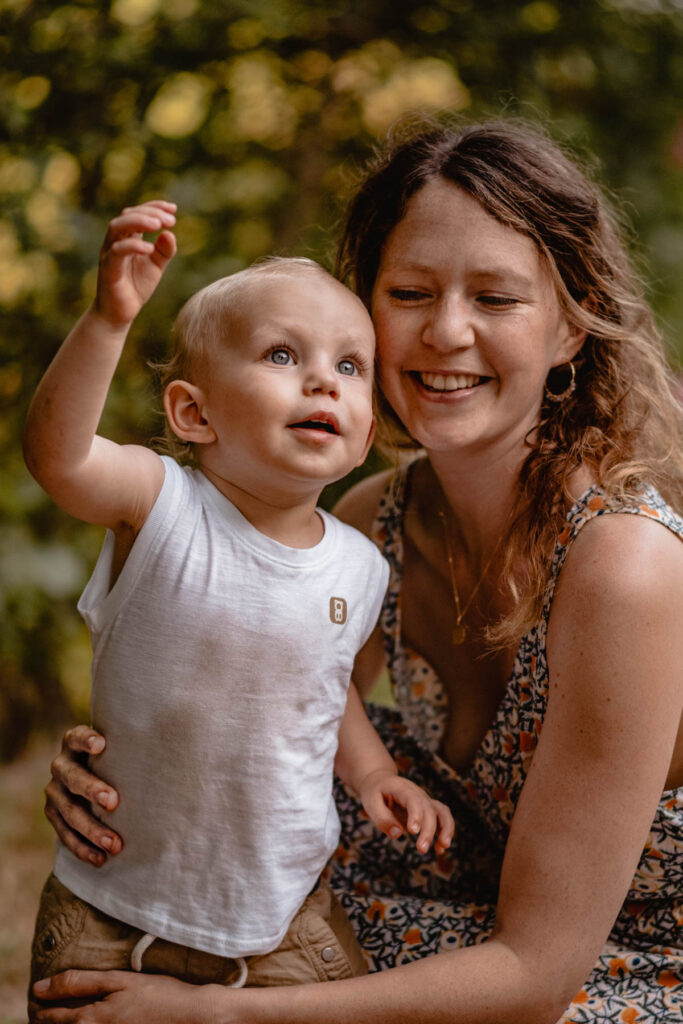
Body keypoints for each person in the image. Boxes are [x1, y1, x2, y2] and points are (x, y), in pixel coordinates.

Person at [31, 118, 683, 1024]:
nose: (446, 330)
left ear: (571, 326)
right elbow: (264, 705)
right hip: (442, 914)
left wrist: (224, 1016)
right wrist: (133, 770)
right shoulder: (369, 520)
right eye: (410, 291)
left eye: (495, 298)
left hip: (607, 971)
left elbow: (539, 974)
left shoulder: (625, 563)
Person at [22, 200, 455, 1006]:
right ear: (194, 413)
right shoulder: (162, 508)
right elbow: (59, 456)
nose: (323, 377)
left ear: (363, 437)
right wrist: (110, 319)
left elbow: (321, 690)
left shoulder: (358, 564)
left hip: (287, 915)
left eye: (350, 366)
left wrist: (373, 776)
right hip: (112, 908)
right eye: (282, 354)